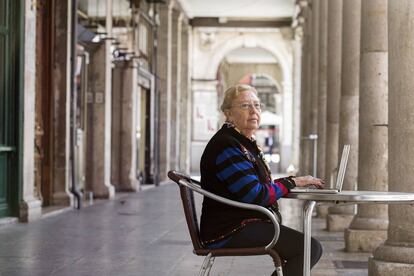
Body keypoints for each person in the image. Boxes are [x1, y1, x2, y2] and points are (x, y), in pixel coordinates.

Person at [200, 84, 324, 276]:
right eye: (244, 106)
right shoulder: (227, 146)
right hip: (228, 229)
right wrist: (292, 183)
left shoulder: (241, 142)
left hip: (239, 223)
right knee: (309, 249)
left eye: (257, 105)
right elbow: (258, 195)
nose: (254, 111)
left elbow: (259, 186)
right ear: (228, 113)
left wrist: (294, 180)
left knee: (303, 249)